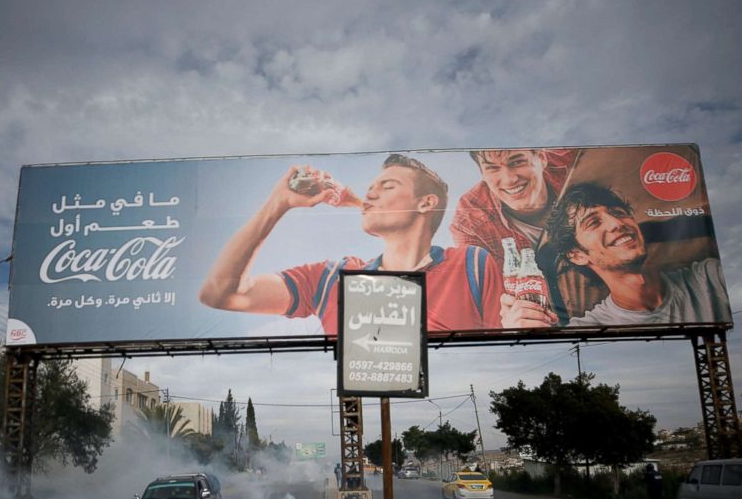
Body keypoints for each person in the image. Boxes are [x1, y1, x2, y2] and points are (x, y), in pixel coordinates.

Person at [199, 154, 517, 333]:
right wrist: (278, 203)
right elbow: (220, 294)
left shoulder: (471, 265)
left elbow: (496, 342)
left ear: (425, 203)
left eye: (387, 186)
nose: (370, 194)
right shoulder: (332, 279)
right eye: (370, 188)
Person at [545, 182, 731, 326]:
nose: (617, 223)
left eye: (619, 213)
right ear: (577, 255)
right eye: (593, 223)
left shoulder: (711, 278)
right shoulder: (587, 327)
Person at [450, 149, 575, 326]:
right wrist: (510, 321)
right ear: (482, 174)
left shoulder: (577, 160)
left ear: (541, 157)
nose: (509, 179)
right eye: (493, 168)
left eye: (517, 162)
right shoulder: (469, 221)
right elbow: (487, 301)